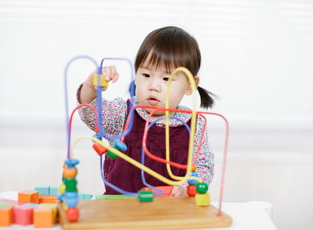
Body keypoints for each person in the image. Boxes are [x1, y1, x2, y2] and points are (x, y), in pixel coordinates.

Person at [77, 26, 215, 197]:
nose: (154, 86)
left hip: (170, 213)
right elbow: (89, 111)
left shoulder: (194, 124)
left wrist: (186, 188)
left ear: (189, 85)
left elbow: (203, 167)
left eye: (166, 79)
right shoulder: (124, 113)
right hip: (120, 210)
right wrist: (90, 87)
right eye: (146, 75)